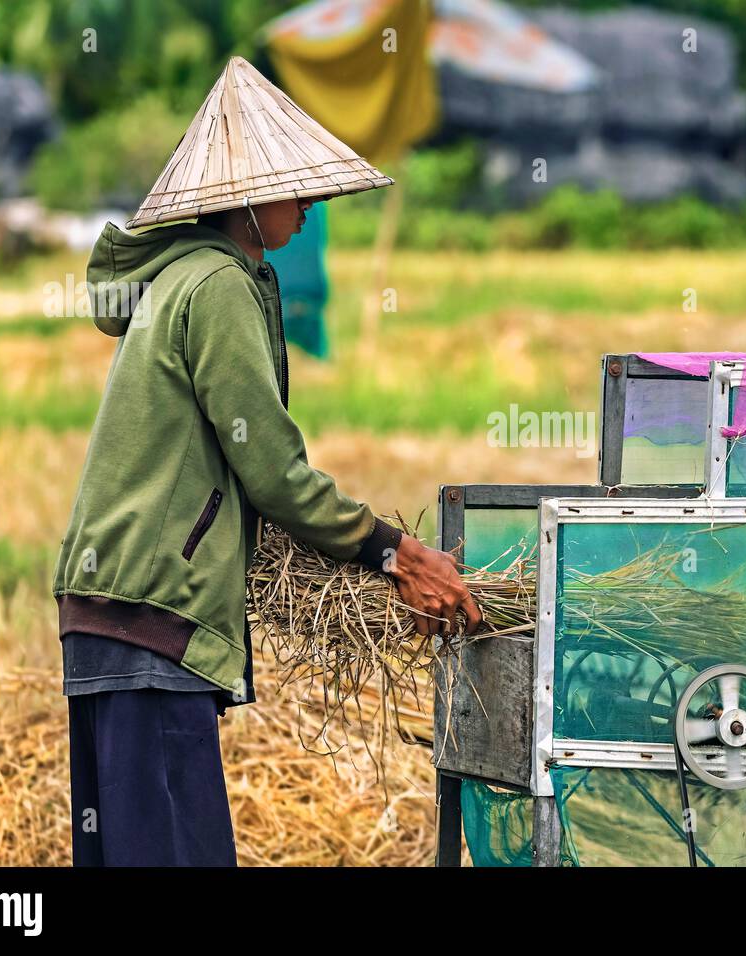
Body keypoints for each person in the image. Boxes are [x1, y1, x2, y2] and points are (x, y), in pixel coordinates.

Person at [53, 57, 479, 866]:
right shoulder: (214, 284)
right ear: (245, 196)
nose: (313, 203)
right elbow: (274, 471)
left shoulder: (185, 276)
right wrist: (395, 552)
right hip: (152, 614)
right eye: (297, 187)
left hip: (117, 609)